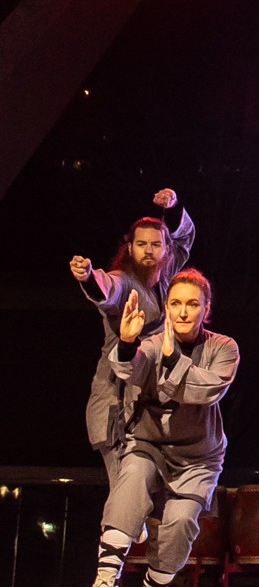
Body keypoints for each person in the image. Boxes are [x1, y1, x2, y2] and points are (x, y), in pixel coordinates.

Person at [81, 271, 236, 587]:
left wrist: (172, 360)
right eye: (176, 303)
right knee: (131, 483)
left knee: (181, 522)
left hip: (199, 456)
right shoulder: (151, 343)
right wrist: (125, 342)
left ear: (206, 309)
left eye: (192, 304)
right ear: (166, 307)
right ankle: (105, 581)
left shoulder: (223, 348)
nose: (183, 312)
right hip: (149, 443)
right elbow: (129, 371)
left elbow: (208, 389)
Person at [70, 190, 195, 485]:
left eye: (156, 244)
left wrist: (174, 207)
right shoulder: (125, 283)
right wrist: (88, 276)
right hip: (117, 400)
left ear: (166, 250)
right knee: (125, 495)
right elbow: (106, 289)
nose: (149, 250)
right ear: (130, 248)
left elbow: (185, 240)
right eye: (141, 244)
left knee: (150, 497)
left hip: (150, 404)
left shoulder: (165, 280)